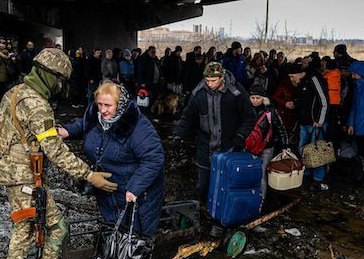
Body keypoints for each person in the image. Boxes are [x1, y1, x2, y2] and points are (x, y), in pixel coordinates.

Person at [0, 48, 117, 259]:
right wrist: (88, 174)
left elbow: (2, 133)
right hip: (24, 176)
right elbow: (55, 151)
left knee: (26, 226)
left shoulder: (16, 92)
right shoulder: (38, 105)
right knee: (55, 227)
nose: (60, 86)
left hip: (9, 171)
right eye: (59, 80)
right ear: (49, 75)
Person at [58, 81, 165, 236]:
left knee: (133, 238)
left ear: (119, 104)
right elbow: (85, 126)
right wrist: (68, 131)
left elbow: (154, 158)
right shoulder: (95, 117)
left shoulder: (137, 125)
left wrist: (135, 188)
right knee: (114, 231)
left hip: (135, 192)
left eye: (108, 105)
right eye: (99, 104)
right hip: (108, 189)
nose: (103, 110)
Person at [174, 62, 255, 204]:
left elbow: (249, 117)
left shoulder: (236, 93)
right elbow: (188, 116)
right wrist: (179, 135)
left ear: (222, 77)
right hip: (205, 146)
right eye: (207, 80)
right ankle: (203, 210)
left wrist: (240, 136)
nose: (210, 84)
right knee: (203, 184)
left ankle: (222, 213)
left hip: (228, 145)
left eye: (213, 80)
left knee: (225, 183)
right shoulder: (199, 94)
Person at [287, 63, 329, 191]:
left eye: (292, 76)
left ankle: (318, 179)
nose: (291, 79)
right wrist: (294, 103)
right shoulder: (300, 84)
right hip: (304, 122)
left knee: (317, 151)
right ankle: (306, 174)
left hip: (315, 123)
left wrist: (320, 120)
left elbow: (324, 101)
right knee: (303, 150)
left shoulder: (313, 79)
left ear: (299, 73)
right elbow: (304, 100)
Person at [248, 84, 289, 200]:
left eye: (258, 98)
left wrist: (284, 146)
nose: (255, 101)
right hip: (250, 146)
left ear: (263, 98)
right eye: (252, 98)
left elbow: (281, 128)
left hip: (266, 146)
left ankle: (260, 200)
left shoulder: (270, 110)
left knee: (261, 174)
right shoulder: (245, 108)